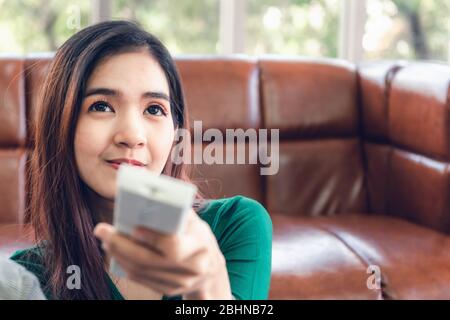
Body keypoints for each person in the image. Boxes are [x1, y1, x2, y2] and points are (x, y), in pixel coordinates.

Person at [10, 20, 272, 300]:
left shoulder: (235, 225)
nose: (133, 136)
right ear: (60, 125)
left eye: (155, 109)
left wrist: (210, 289)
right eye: (101, 106)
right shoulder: (25, 278)